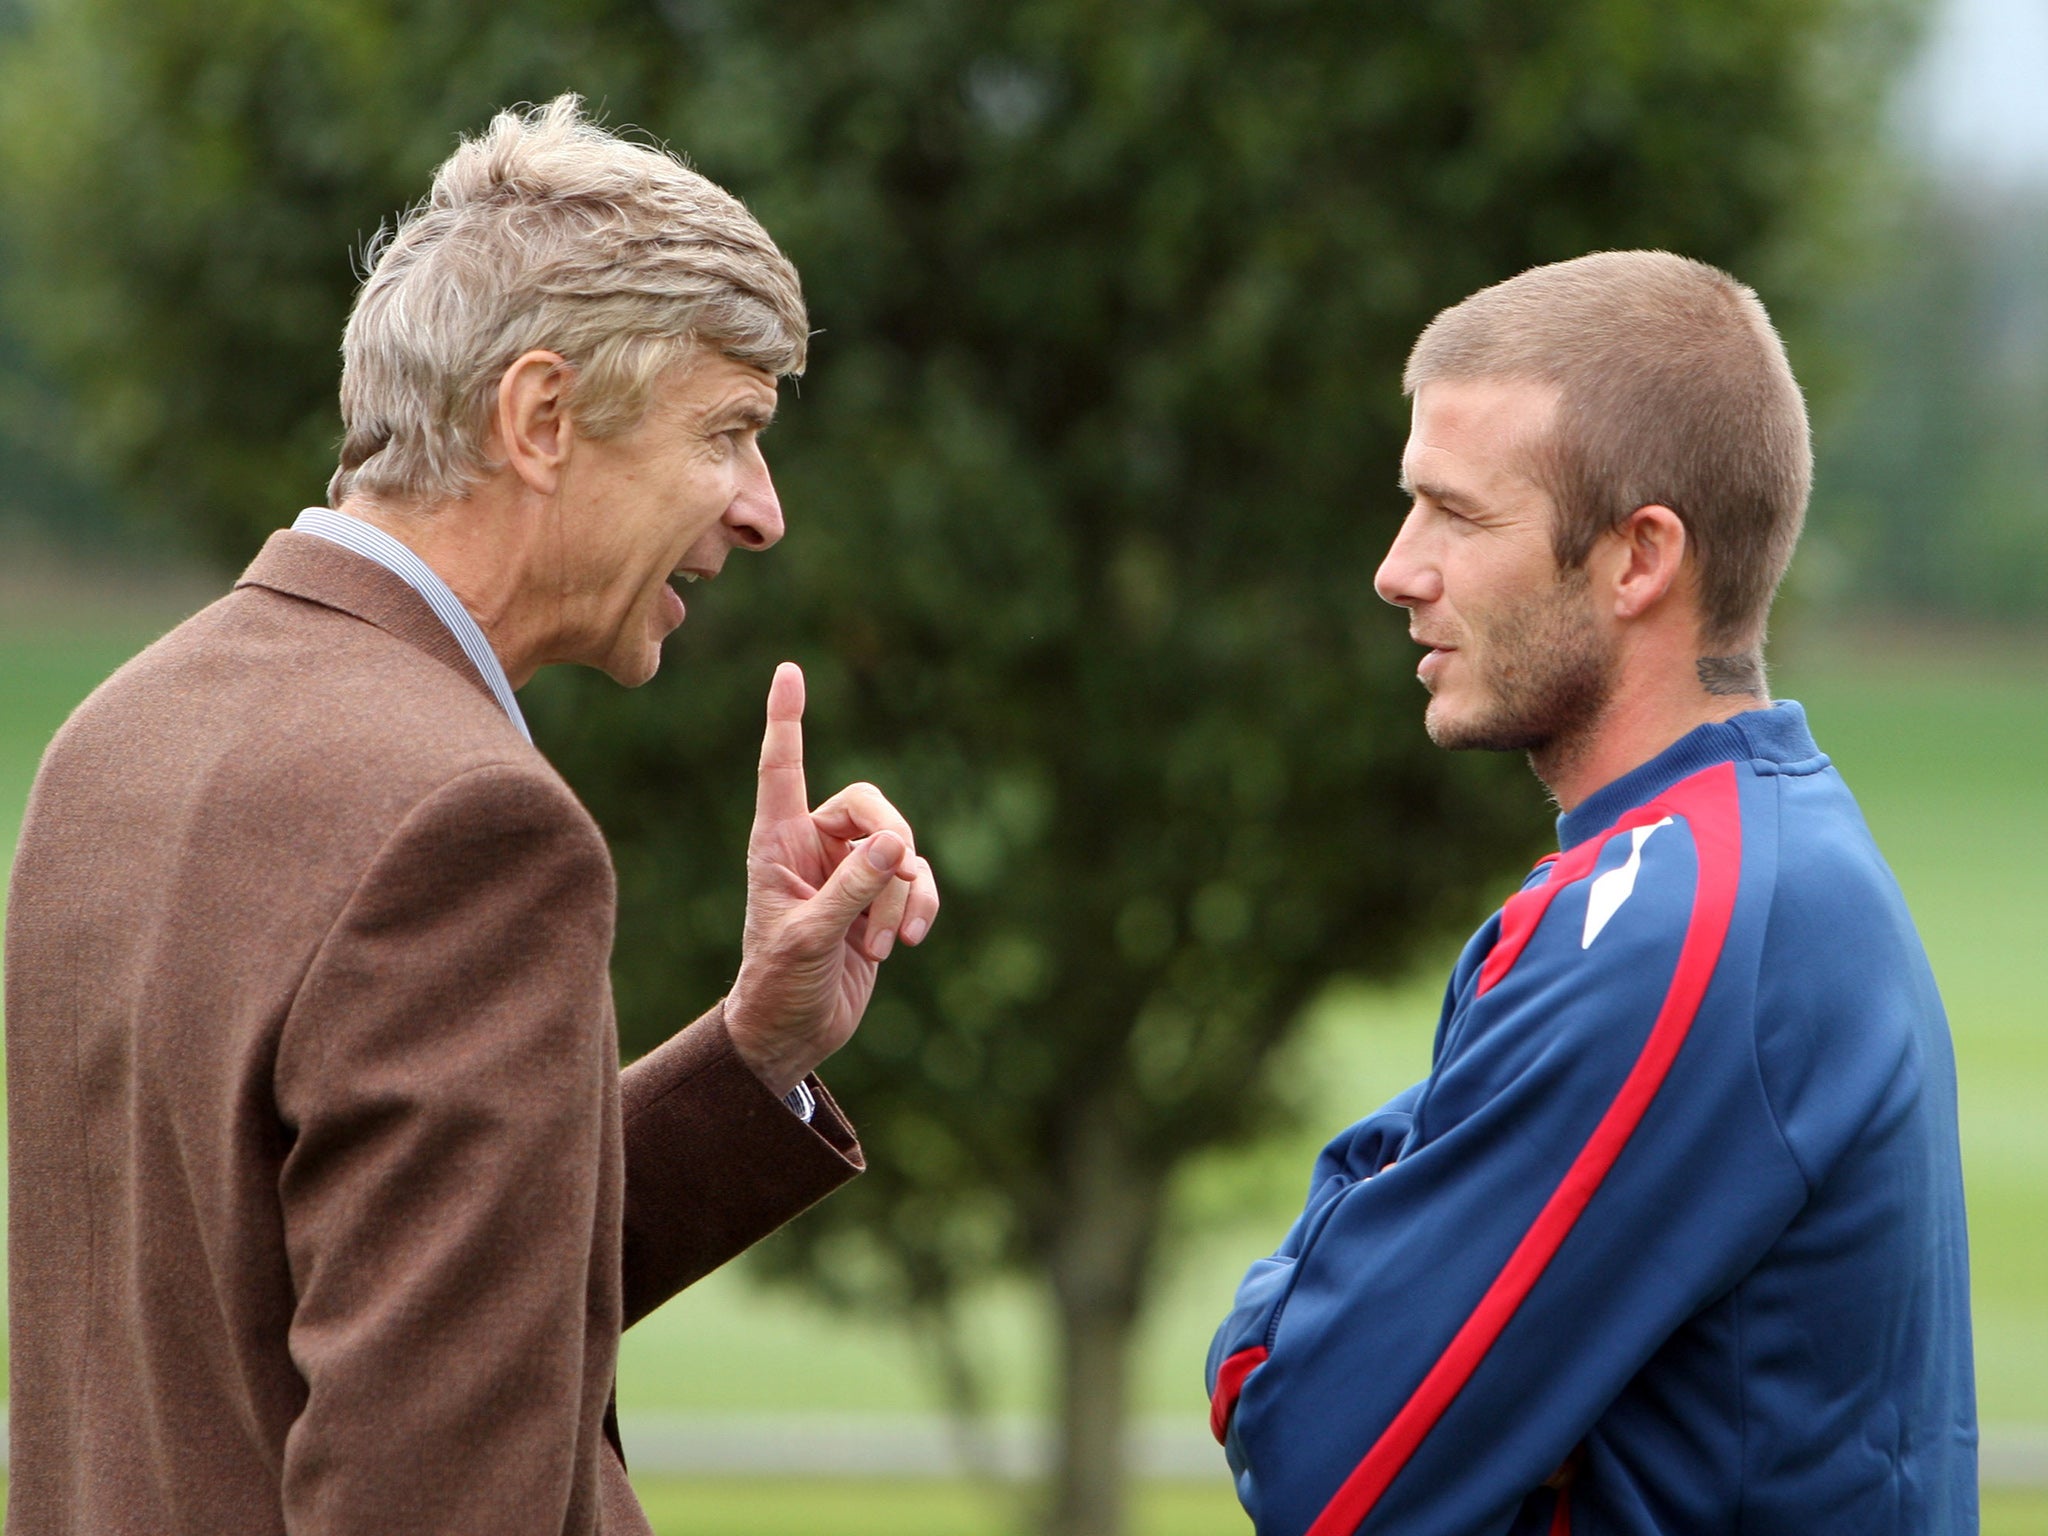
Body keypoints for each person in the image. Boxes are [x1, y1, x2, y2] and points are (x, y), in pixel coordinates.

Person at [4, 96, 938, 1536]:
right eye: (731, 431)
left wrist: (756, 1052)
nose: (763, 510)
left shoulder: (117, 736)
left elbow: (354, 1303)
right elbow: (431, 1476)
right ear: (542, 419)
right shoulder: (474, 823)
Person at [1206, 251, 1975, 1535]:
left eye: (1454, 515)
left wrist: (1268, 1324)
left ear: (1636, 561)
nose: (1399, 569)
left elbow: (1316, 1461)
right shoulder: (1738, 859)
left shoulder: (1682, 925)